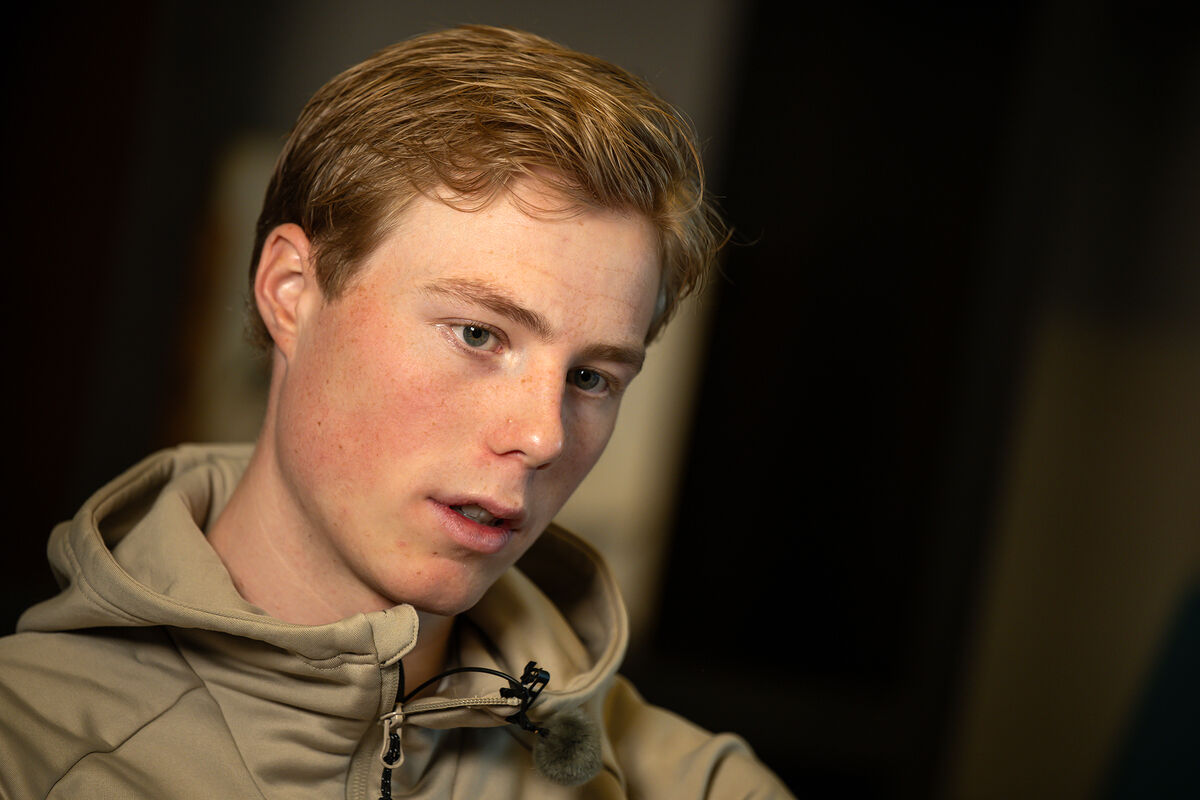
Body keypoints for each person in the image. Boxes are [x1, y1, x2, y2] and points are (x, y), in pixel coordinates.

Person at [0, 25, 792, 799]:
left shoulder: (699, 787)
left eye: (590, 377)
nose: (542, 435)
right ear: (290, 291)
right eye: (478, 334)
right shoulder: (27, 756)